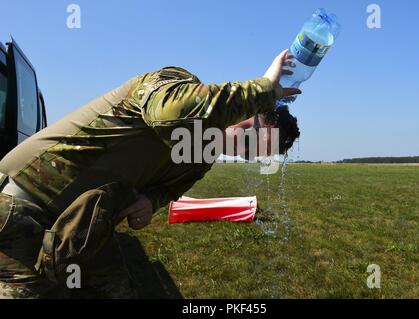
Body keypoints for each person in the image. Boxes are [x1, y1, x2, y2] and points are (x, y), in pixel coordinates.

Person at [0, 50, 300, 298]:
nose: (240, 149)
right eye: (249, 136)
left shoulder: (202, 155)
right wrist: (261, 89)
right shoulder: (173, 83)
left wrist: (149, 201)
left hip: (78, 229)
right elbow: (169, 115)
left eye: (251, 153)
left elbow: (169, 189)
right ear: (246, 110)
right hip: (21, 207)